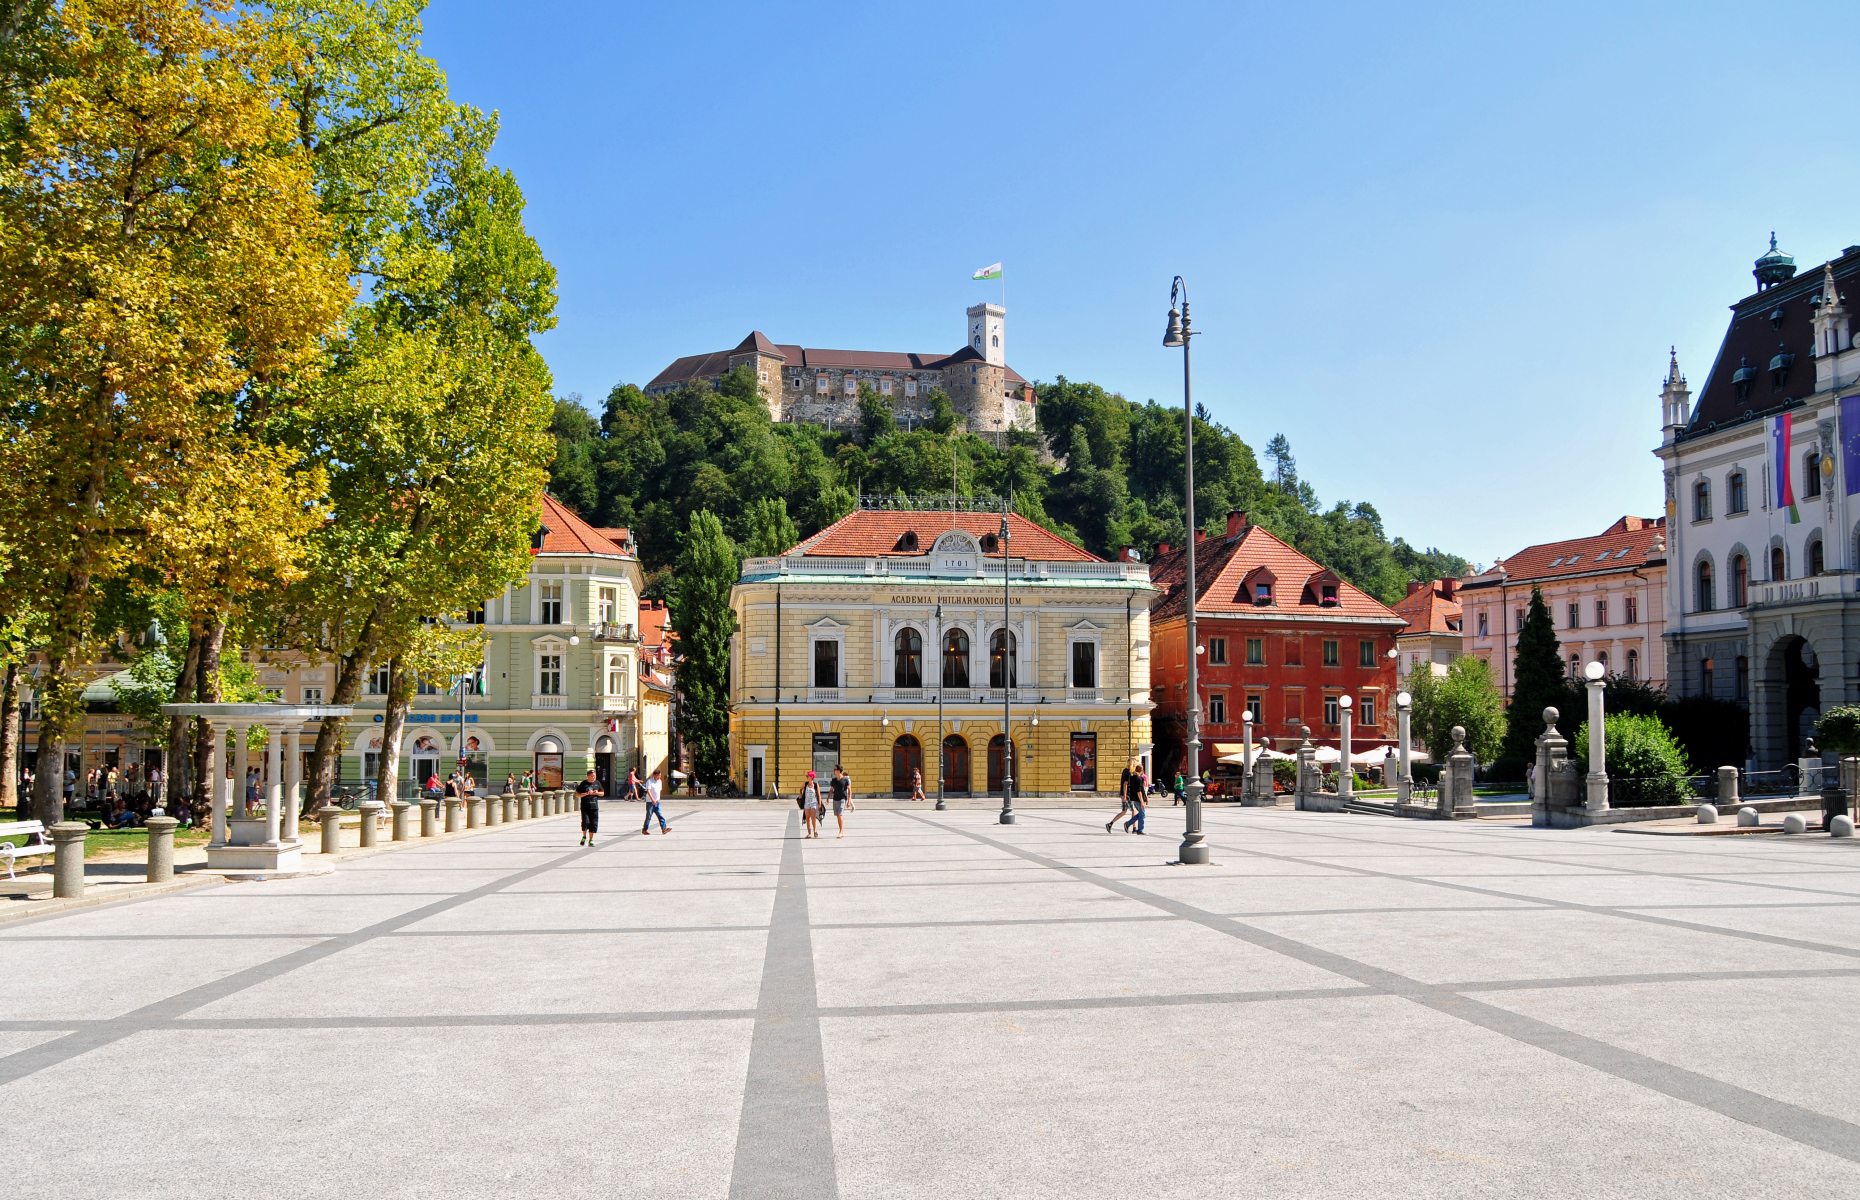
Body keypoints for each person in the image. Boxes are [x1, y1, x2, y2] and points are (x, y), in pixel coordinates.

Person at [1107, 758, 1140, 833]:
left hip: (1124, 794)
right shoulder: (1128, 772)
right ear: (1133, 764)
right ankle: (1133, 828)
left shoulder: (1125, 770)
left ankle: (1110, 824)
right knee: (1133, 810)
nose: (1136, 764)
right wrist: (1125, 795)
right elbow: (1125, 784)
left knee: (1124, 811)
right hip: (1127, 794)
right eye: (1135, 763)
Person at [576, 769, 604, 846]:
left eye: (594, 776)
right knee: (586, 823)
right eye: (592, 776)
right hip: (585, 807)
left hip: (594, 807)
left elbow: (602, 793)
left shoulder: (597, 783)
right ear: (588, 776)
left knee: (593, 824)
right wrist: (586, 793)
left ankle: (591, 840)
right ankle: (584, 836)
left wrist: (597, 793)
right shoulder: (583, 783)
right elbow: (577, 795)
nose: (593, 777)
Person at [1123, 762, 1148, 834]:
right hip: (1138, 799)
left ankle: (1128, 824)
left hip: (1134, 798)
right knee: (1142, 814)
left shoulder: (1132, 777)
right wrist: (1142, 801)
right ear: (1141, 770)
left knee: (1141, 814)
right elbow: (1139, 791)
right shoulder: (1139, 778)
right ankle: (1140, 830)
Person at [642, 768, 669, 834]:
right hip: (650, 802)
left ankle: (664, 829)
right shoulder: (649, 781)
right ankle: (644, 830)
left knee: (660, 815)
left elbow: (658, 791)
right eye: (658, 775)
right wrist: (652, 799)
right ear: (654, 775)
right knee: (648, 816)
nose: (660, 777)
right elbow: (648, 791)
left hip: (657, 802)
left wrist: (657, 800)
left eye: (660, 775)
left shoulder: (660, 781)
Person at [829, 763, 853, 838]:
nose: (834, 771)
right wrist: (827, 798)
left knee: (839, 814)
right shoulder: (833, 780)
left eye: (835, 769)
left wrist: (849, 801)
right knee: (837, 816)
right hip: (835, 799)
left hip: (842, 799)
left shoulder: (845, 779)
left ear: (839, 771)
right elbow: (831, 789)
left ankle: (841, 831)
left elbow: (849, 790)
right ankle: (841, 830)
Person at [798, 770, 823, 838]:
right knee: (807, 818)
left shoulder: (816, 785)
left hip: (814, 803)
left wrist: (820, 803)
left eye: (807, 776)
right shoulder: (805, 784)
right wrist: (800, 794)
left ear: (812, 777)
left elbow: (819, 795)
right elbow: (800, 789)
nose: (806, 777)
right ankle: (809, 833)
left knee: (813, 818)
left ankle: (815, 831)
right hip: (806, 803)